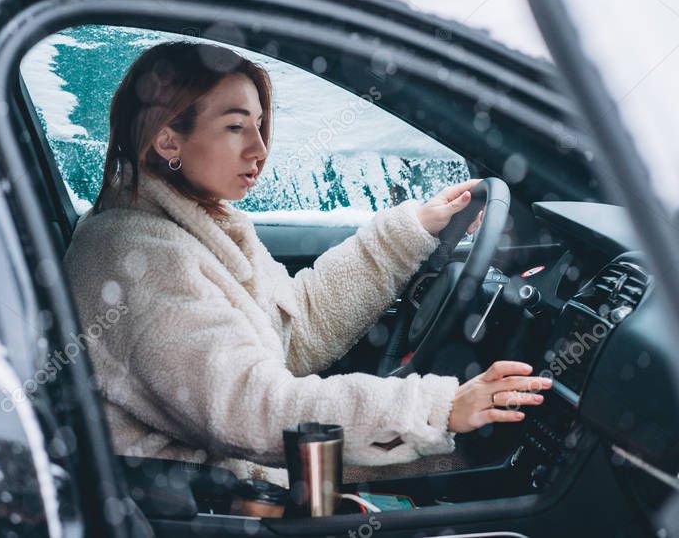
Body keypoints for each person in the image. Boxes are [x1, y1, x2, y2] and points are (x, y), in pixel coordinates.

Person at [64, 41, 551, 484]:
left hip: (230, 480)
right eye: (235, 127)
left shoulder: (189, 223)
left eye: (258, 125)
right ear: (169, 141)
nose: (258, 149)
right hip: (209, 505)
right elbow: (257, 410)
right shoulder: (141, 261)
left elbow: (291, 326)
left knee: (457, 467)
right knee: (482, 478)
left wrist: (412, 231)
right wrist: (440, 408)